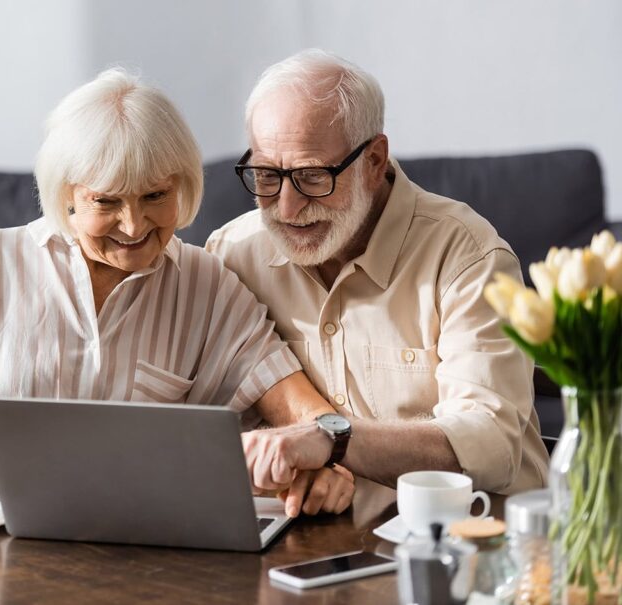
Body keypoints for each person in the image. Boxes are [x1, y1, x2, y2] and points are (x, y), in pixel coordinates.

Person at [0, 68, 354, 517]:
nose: (134, 227)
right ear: (66, 195)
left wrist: (327, 460)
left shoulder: (208, 284)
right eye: (106, 201)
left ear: (183, 187)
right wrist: (43, 477)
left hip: (136, 559)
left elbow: (304, 411)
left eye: (155, 196)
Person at [207, 49, 549, 495]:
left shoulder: (468, 256)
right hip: (322, 541)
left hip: (472, 535)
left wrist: (332, 439)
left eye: (312, 177)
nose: (287, 208)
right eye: (267, 176)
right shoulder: (233, 254)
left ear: (373, 161)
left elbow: (491, 444)